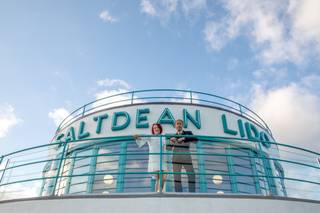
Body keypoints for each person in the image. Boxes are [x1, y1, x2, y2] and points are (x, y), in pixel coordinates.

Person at [133, 123, 167, 192]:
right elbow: (142, 140)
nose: (156, 129)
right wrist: (137, 137)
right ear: (152, 129)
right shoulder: (150, 136)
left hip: (162, 158)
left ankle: (158, 191)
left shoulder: (163, 137)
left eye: (157, 127)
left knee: (164, 176)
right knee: (158, 177)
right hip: (154, 158)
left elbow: (166, 146)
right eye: (154, 128)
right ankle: (158, 193)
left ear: (160, 128)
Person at [168, 119, 198, 192]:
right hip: (176, 159)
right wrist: (170, 141)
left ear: (182, 125)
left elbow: (196, 140)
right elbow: (168, 148)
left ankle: (192, 192)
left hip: (186, 157)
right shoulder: (173, 136)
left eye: (180, 124)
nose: (178, 125)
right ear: (175, 126)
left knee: (191, 175)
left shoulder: (188, 133)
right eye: (177, 124)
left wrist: (184, 138)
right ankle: (178, 193)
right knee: (176, 176)